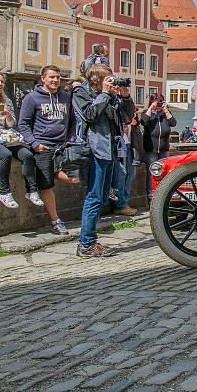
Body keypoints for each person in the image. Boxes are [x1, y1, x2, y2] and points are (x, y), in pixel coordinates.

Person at [73, 64, 135, 257]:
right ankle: (86, 244)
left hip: (110, 151)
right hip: (94, 151)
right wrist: (106, 94)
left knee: (101, 197)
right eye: (108, 78)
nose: (112, 81)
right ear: (95, 80)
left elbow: (127, 117)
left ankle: (89, 240)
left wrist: (125, 97)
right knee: (94, 196)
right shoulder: (81, 92)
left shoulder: (109, 96)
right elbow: (90, 114)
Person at [18, 65, 78, 234]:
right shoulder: (32, 98)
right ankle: (55, 221)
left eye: (58, 77)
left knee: (75, 178)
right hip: (43, 146)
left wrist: (71, 138)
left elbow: (73, 121)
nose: (55, 80)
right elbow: (23, 124)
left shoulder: (65, 97)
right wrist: (34, 143)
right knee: (46, 185)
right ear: (42, 78)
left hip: (62, 146)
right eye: (51, 77)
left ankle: (46, 175)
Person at [0, 71, 43, 210]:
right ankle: (4, 193)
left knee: (27, 154)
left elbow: (11, 125)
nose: (0, 84)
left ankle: (31, 191)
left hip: (3, 137)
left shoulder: (6, 100)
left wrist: (7, 115)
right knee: (6, 155)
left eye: (2, 82)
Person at [141, 93, 177, 201]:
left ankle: (163, 196)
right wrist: (151, 108)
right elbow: (143, 121)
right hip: (151, 149)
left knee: (165, 173)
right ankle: (151, 196)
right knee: (152, 173)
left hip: (164, 149)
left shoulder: (165, 114)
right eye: (156, 101)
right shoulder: (147, 113)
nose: (158, 104)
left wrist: (166, 110)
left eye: (160, 101)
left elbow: (173, 123)